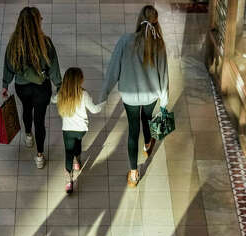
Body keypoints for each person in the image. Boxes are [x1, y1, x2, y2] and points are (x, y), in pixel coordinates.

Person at [102, 5, 168, 187]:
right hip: (151, 95)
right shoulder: (159, 44)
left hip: (130, 96)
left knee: (133, 130)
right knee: (147, 118)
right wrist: (164, 102)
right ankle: (148, 144)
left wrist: (103, 94)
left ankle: (133, 173)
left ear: (139, 20)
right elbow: (164, 73)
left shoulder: (125, 41)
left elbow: (113, 70)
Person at [2, 6, 62, 170]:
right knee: (40, 120)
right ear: (36, 23)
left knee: (27, 109)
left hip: (22, 87)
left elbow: (9, 65)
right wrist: (59, 85)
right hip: (42, 88)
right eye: (40, 19)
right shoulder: (46, 43)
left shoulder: (13, 44)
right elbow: (54, 68)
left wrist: (5, 84)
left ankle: (28, 135)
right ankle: (40, 156)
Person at [51, 67, 105, 194]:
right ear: (79, 81)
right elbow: (95, 110)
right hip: (81, 129)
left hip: (68, 130)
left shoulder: (62, 93)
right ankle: (77, 161)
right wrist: (103, 102)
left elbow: (53, 99)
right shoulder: (84, 94)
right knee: (78, 143)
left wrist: (56, 92)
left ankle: (69, 181)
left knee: (68, 153)